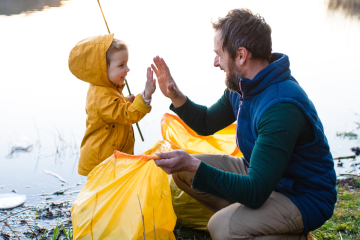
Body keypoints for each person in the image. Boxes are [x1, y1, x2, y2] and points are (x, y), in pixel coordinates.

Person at [151, 9, 336, 240]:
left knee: (221, 227)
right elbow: (207, 122)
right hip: (261, 176)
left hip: (302, 195)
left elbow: (256, 191)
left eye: (219, 53)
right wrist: (175, 95)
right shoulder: (243, 86)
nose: (215, 62)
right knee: (183, 173)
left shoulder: (281, 106)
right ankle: (251, 222)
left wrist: (193, 164)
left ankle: (288, 233)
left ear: (241, 55)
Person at [69, 34, 156, 176]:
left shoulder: (105, 87)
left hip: (110, 159)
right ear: (102, 70)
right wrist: (146, 95)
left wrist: (126, 101)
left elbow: (114, 109)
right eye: (121, 65)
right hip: (102, 162)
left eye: (126, 63)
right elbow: (127, 115)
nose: (127, 69)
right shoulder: (102, 95)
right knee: (105, 196)